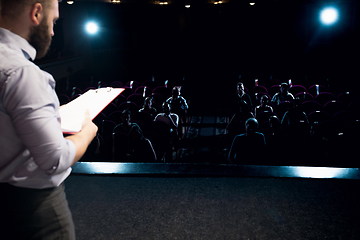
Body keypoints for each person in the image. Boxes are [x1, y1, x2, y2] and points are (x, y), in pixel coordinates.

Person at [0, 1, 98, 239]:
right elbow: (55, 158)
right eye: (53, 21)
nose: (54, 31)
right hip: (32, 208)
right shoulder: (22, 73)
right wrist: (86, 132)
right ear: (36, 13)